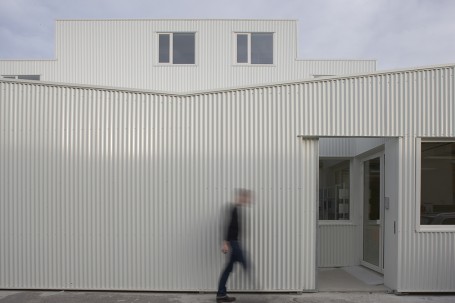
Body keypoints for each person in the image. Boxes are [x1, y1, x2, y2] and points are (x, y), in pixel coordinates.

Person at [216, 189, 252, 303]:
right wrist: (226, 242)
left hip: (234, 241)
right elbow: (229, 226)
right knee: (245, 263)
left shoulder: (236, 209)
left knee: (228, 268)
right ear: (241, 197)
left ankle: (221, 294)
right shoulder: (233, 208)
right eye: (246, 198)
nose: (247, 200)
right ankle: (258, 288)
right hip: (233, 242)